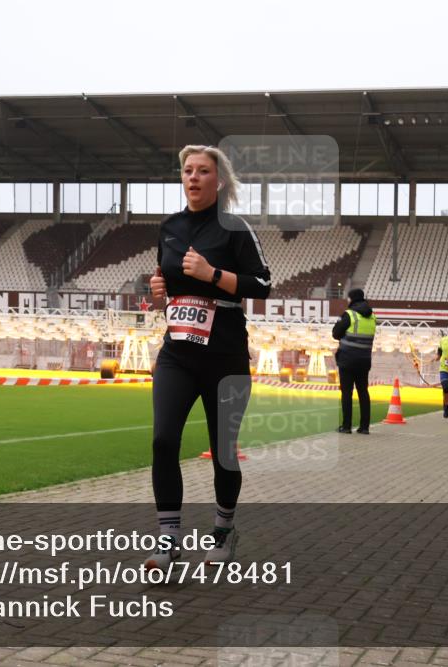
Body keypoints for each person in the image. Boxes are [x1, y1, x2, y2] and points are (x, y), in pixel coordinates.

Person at [146, 145, 272, 569]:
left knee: (223, 450)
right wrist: (159, 294)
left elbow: (263, 285)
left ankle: (223, 529)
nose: (194, 177)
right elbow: (166, 283)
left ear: (218, 182)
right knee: (164, 440)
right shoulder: (168, 227)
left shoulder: (234, 229)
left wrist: (212, 274)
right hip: (177, 354)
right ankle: (168, 540)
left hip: (224, 358)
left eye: (203, 171)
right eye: (187, 170)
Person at [331, 288, 376, 435]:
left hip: (348, 360)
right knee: (363, 392)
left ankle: (346, 426)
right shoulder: (372, 316)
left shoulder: (349, 314)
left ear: (352, 299)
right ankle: (364, 427)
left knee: (347, 393)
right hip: (364, 360)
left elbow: (335, 334)